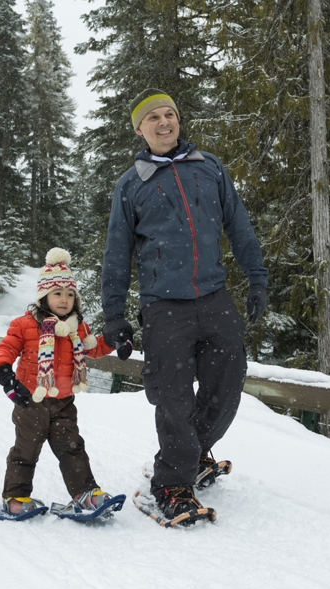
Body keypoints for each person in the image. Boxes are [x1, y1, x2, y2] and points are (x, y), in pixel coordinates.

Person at [101, 89, 268, 523]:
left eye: (170, 114)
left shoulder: (208, 168)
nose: (164, 122)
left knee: (227, 387)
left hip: (214, 299)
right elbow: (117, 255)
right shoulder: (131, 184)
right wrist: (114, 314)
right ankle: (171, 483)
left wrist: (256, 278)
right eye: (153, 117)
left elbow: (239, 224)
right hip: (165, 309)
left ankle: (187, 456)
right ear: (139, 129)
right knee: (173, 398)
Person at [0, 247, 119, 516]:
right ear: (43, 296)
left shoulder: (77, 327)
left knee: (73, 448)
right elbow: (6, 348)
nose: (64, 300)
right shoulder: (25, 324)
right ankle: (16, 497)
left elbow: (93, 349)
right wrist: (5, 372)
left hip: (63, 402)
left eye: (70, 294)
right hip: (31, 401)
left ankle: (85, 493)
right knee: (26, 451)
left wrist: (114, 340)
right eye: (57, 293)